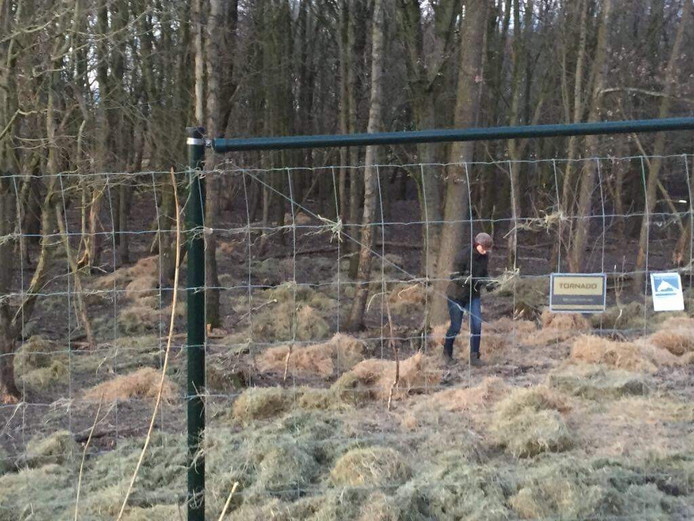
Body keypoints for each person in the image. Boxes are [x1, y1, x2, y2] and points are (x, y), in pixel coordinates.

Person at [443, 232, 495, 366]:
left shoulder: (485, 257)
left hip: (474, 295)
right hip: (457, 295)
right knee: (456, 326)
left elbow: (483, 274)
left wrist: (489, 283)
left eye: (487, 249)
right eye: (483, 248)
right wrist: (467, 280)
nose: (484, 252)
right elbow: (454, 276)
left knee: (477, 325)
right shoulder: (462, 256)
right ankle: (447, 353)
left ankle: (474, 356)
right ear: (477, 245)